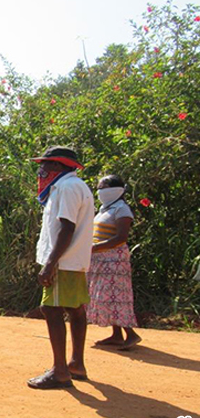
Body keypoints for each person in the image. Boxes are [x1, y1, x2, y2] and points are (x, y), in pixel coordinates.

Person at [28, 147, 95, 389]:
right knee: (75, 308)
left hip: (64, 261)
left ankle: (60, 371)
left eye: (46, 164)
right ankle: (76, 364)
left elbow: (67, 228)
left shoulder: (66, 188)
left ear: (58, 165)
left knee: (51, 308)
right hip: (72, 260)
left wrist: (50, 264)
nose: (41, 170)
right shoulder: (74, 186)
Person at [87, 175, 142, 350]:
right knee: (106, 296)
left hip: (114, 261)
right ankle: (117, 335)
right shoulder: (104, 209)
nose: (100, 191)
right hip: (101, 259)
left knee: (115, 297)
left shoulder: (122, 209)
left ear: (117, 190)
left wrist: (94, 248)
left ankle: (131, 334)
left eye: (103, 187)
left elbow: (121, 237)